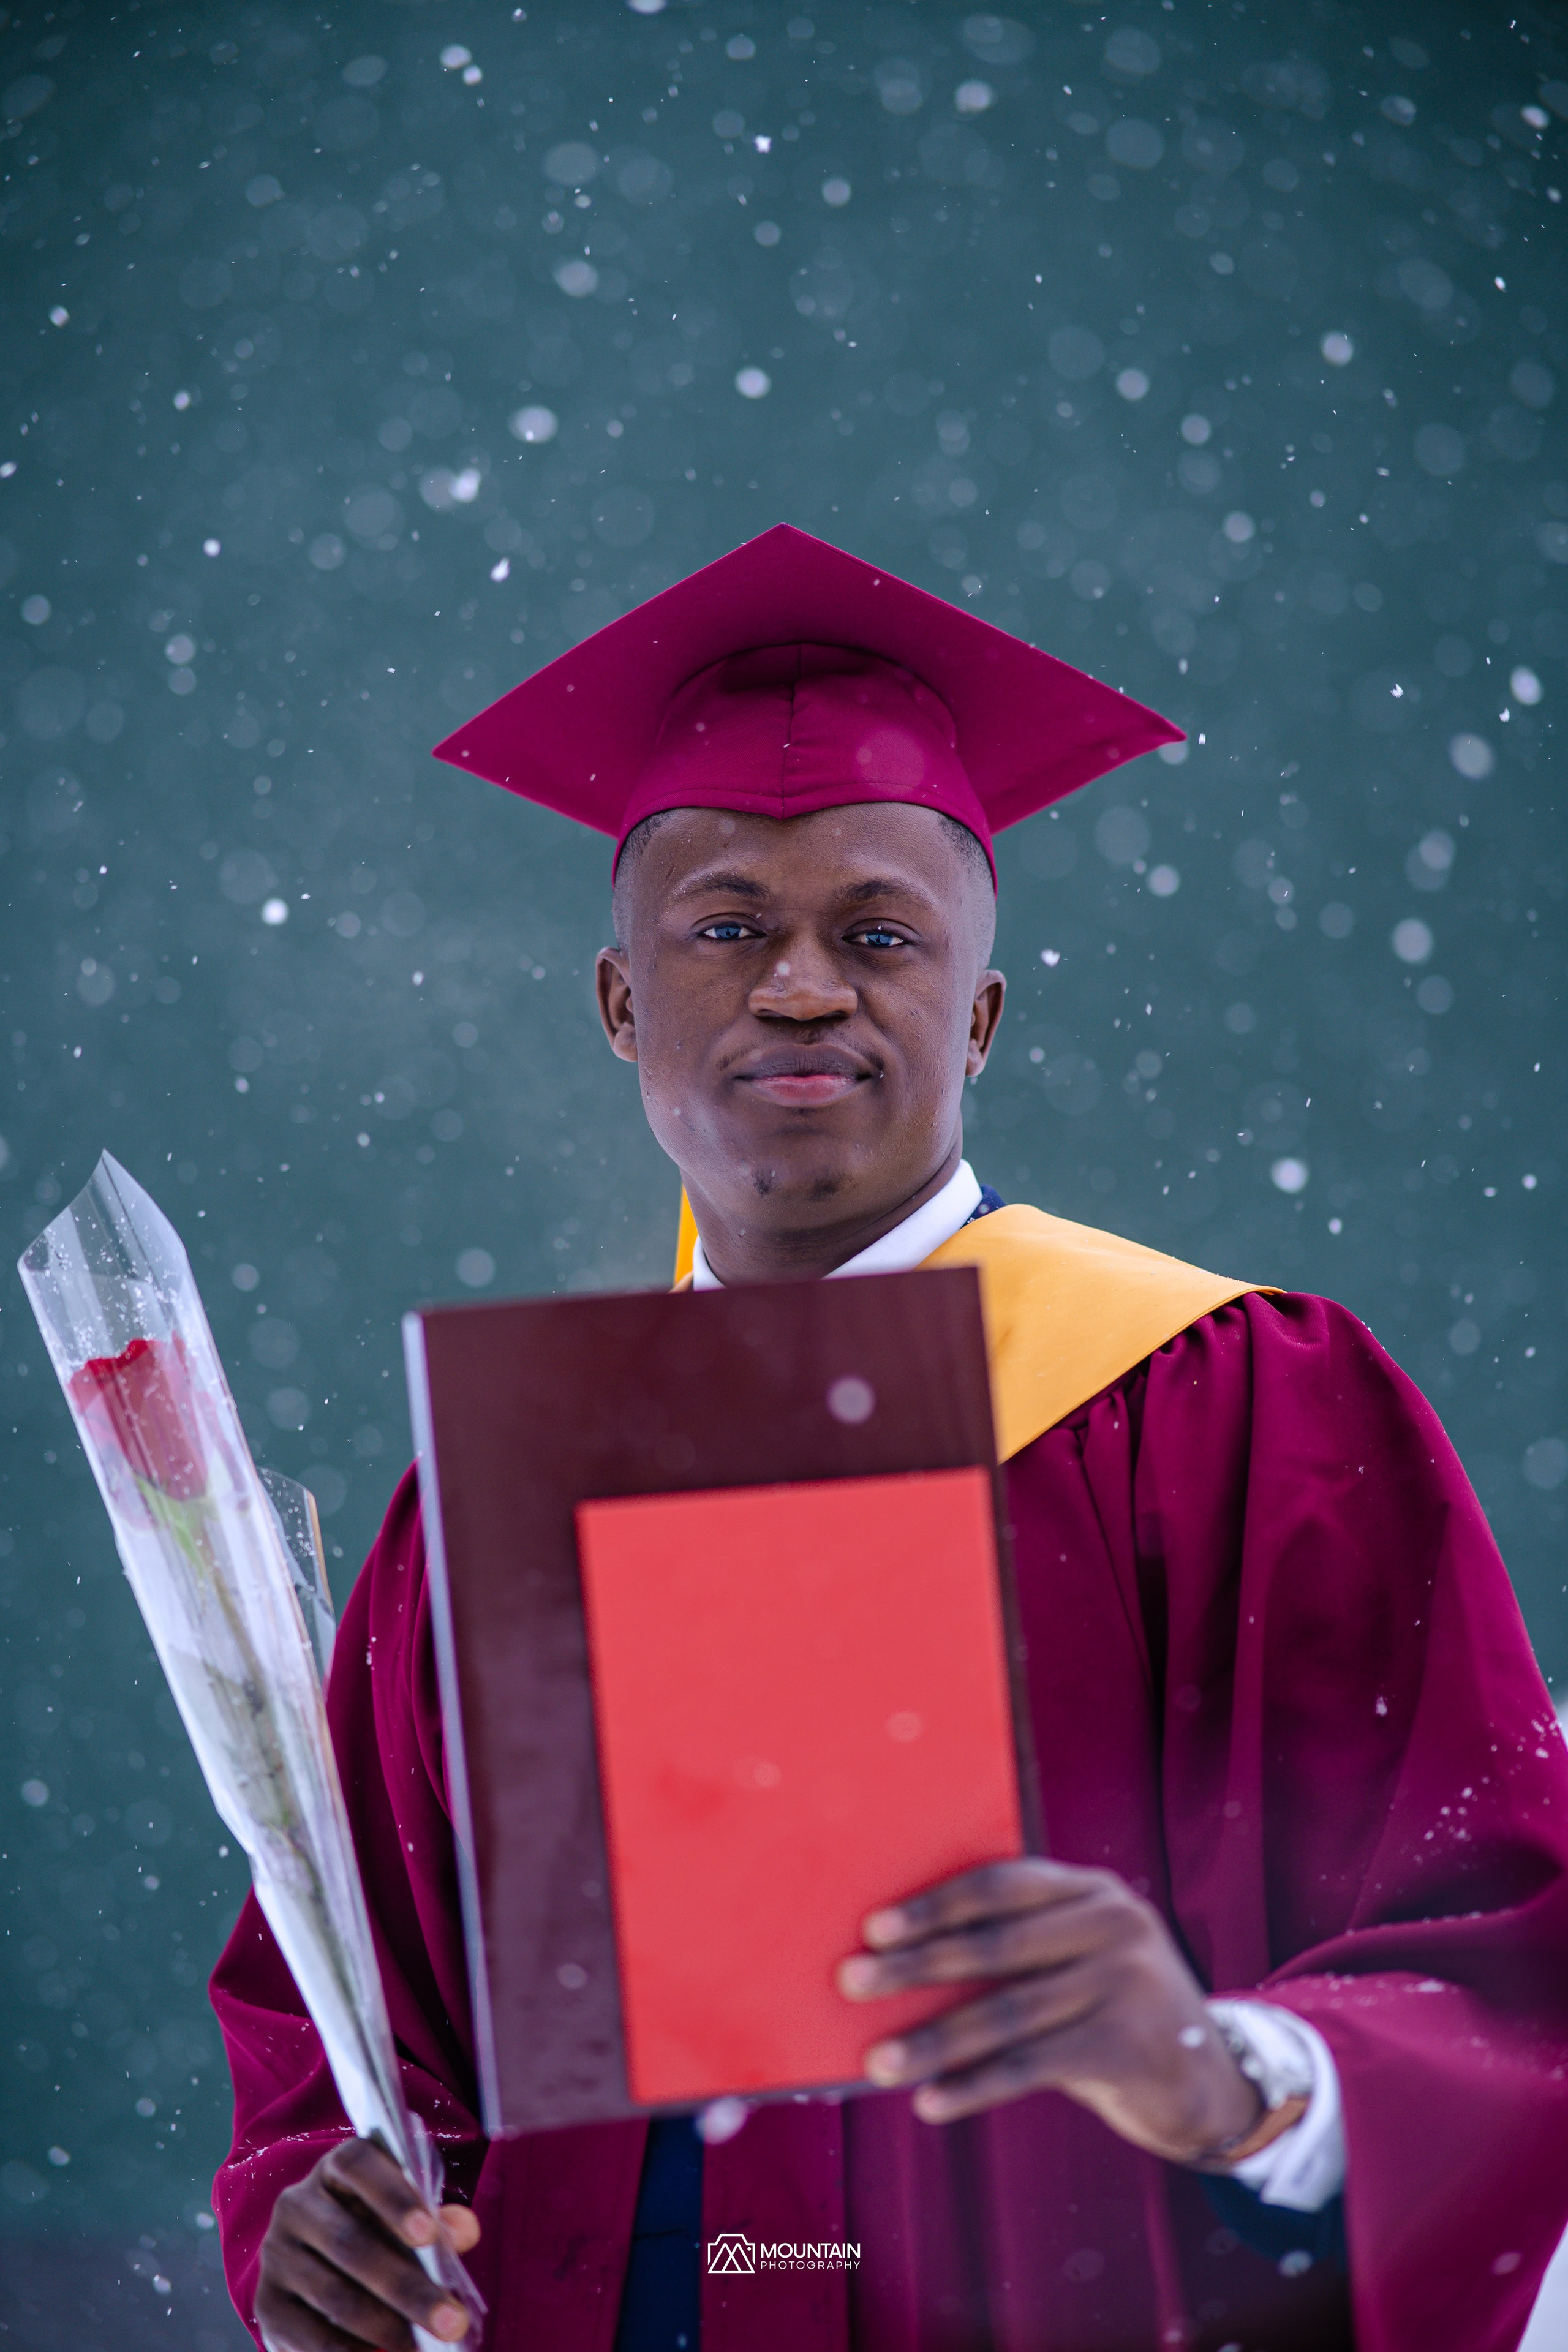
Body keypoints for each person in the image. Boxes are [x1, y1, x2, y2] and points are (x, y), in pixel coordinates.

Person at [211, 527, 1568, 2352]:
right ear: (622, 1008)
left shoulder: (1239, 1403)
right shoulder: (486, 1510)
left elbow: (1497, 1944)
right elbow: (350, 2029)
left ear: (980, 1015)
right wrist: (328, 2231)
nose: (798, 988)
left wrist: (1238, 2073)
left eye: (878, 934)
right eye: (723, 931)